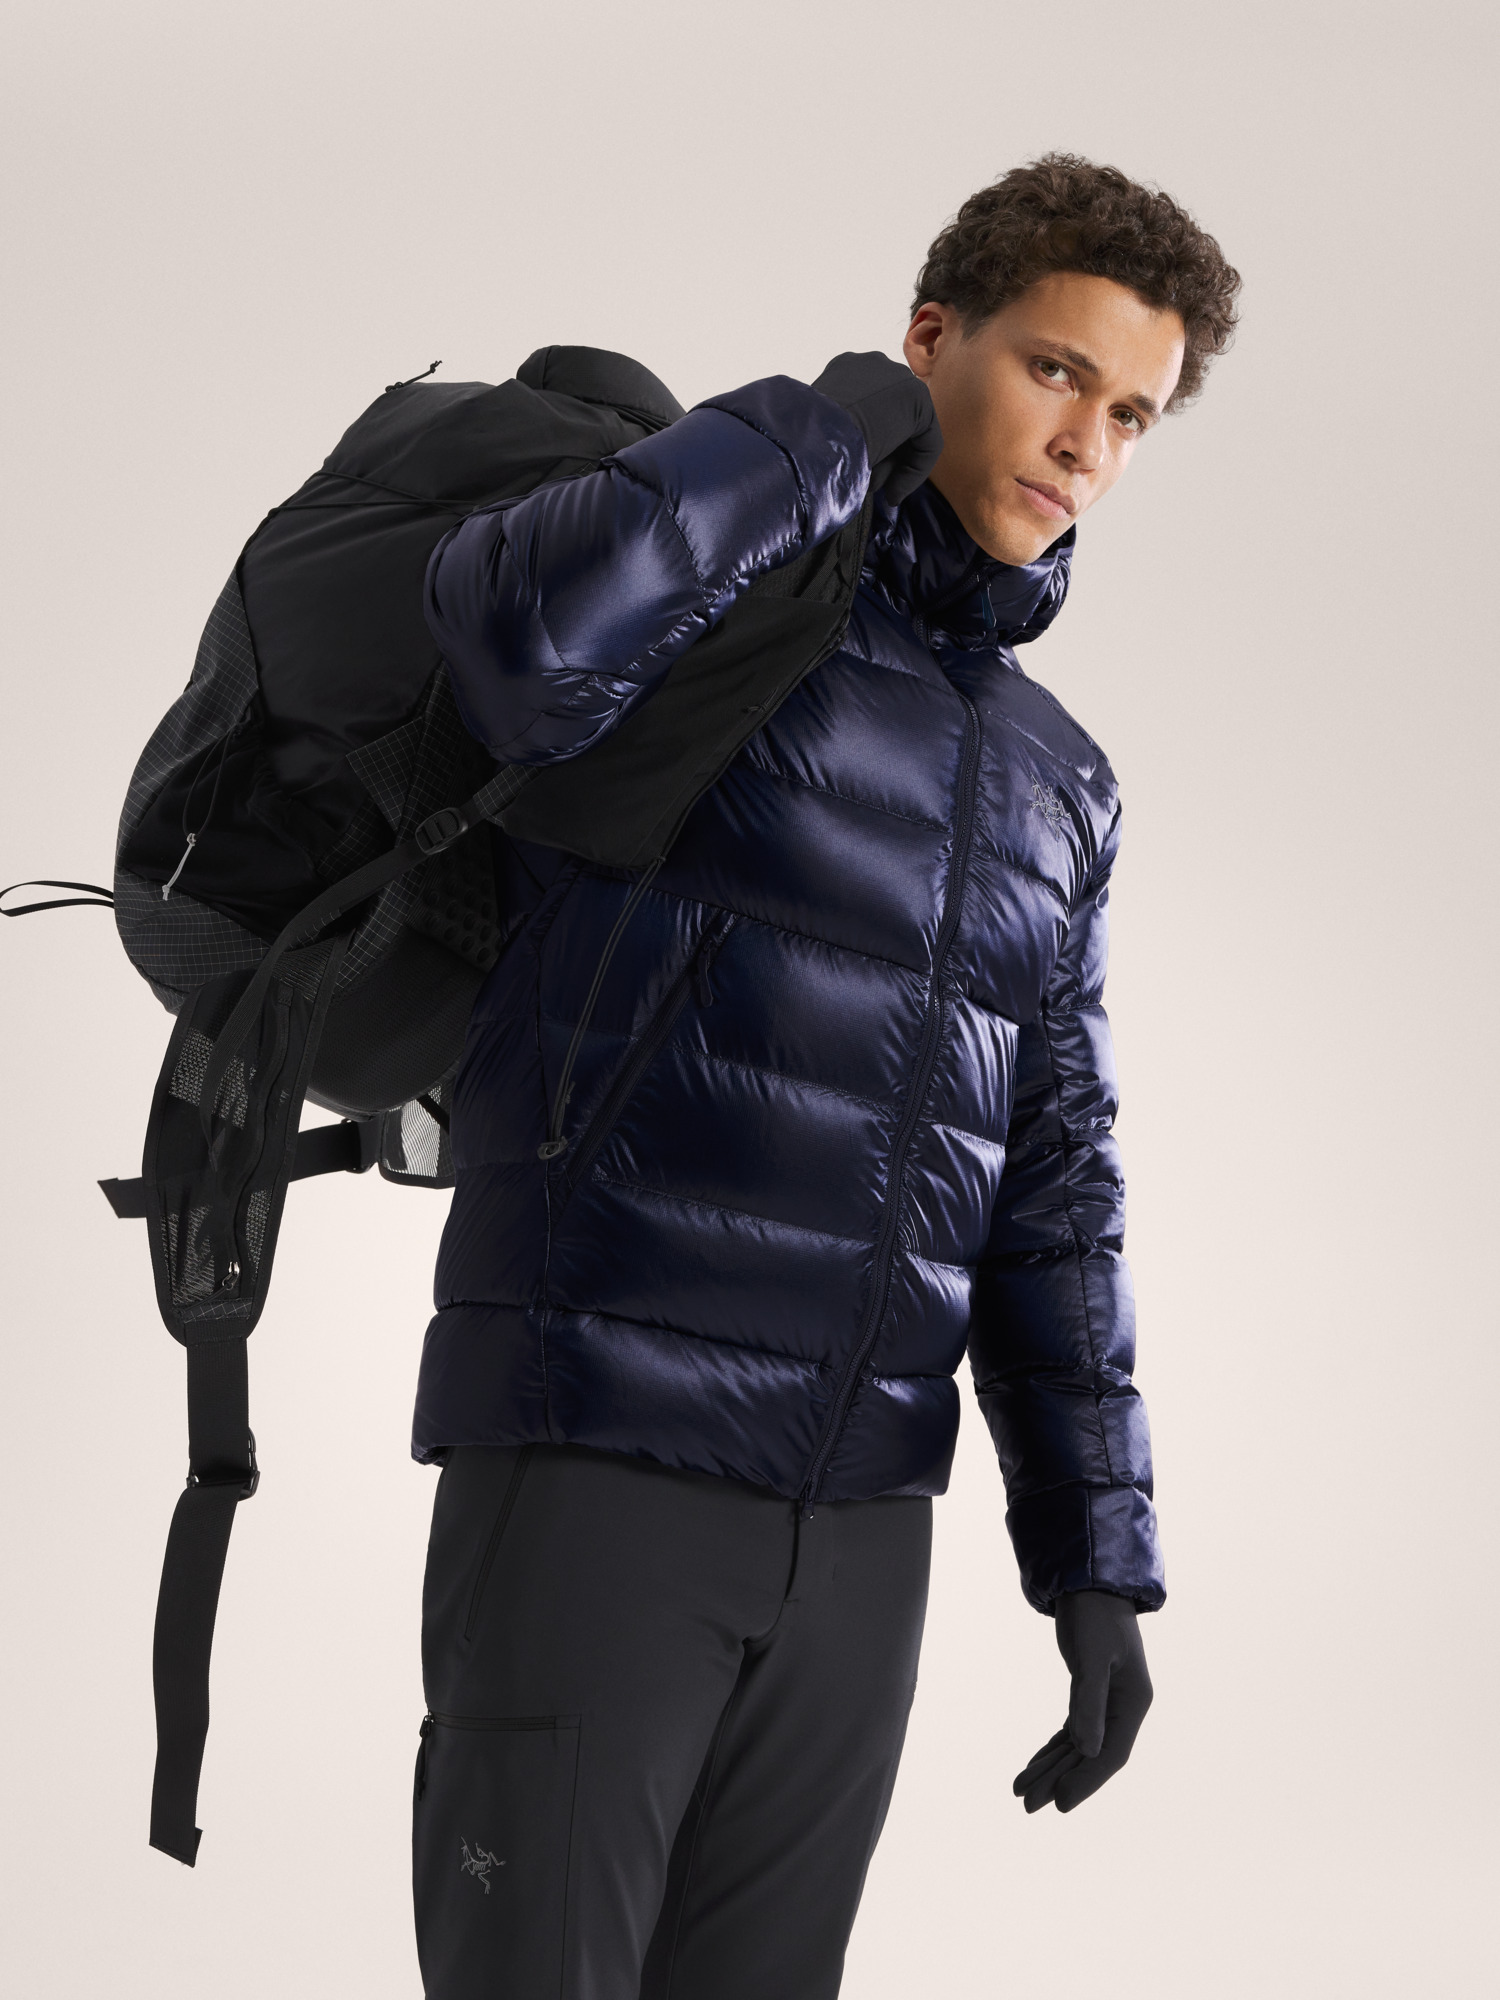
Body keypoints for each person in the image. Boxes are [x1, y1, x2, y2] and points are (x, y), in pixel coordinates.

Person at [411, 153, 1240, 1998]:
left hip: (864, 1524)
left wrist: (1094, 1553)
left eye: (1131, 414)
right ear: (935, 336)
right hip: (602, 1441)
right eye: (1054, 370)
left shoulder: (1060, 782)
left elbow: (1054, 1177)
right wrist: (829, 425)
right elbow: (515, 637)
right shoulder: (725, 609)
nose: (1086, 443)